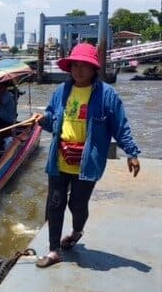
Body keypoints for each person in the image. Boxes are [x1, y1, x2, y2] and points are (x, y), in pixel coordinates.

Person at [33, 42, 140, 268]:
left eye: (84, 66)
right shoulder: (61, 91)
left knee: (77, 205)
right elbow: (54, 121)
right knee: (54, 203)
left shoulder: (107, 96)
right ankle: (53, 250)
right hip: (59, 159)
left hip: (87, 163)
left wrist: (131, 152)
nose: (78, 70)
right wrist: (42, 120)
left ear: (94, 69)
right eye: (74, 65)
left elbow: (120, 127)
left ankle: (77, 231)